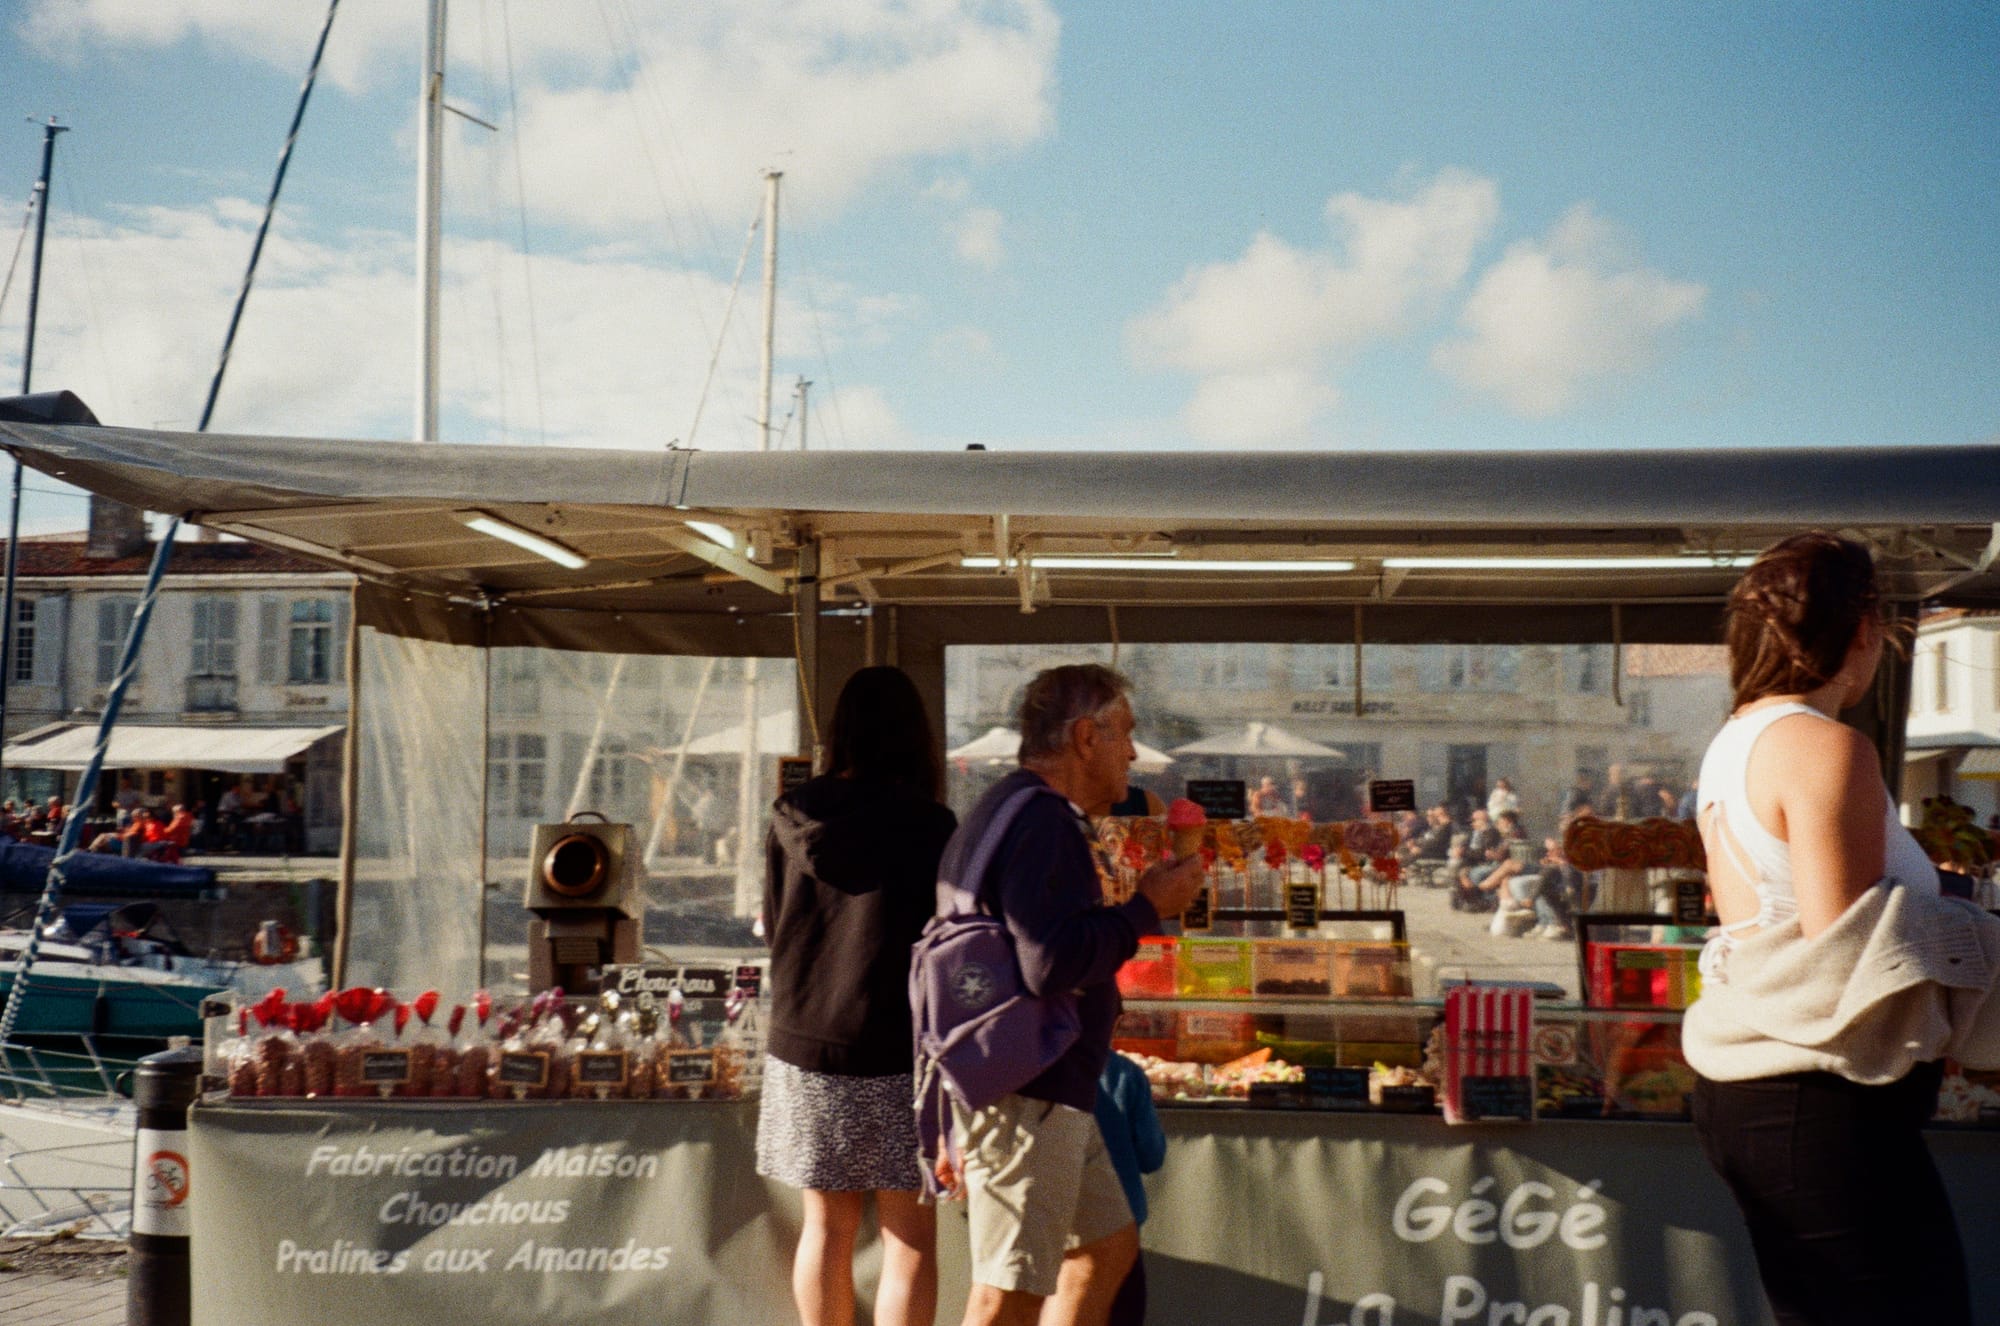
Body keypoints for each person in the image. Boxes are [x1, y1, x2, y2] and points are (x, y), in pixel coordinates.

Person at [1683, 531, 1999, 1326]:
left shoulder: (1736, 741)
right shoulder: (1829, 746)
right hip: (1820, 1096)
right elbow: (1849, 940)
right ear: (1862, 628)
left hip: (1766, 1090)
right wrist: (1968, 922)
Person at [937, 664, 1203, 1326]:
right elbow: (1047, 962)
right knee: (1007, 1291)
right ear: (1087, 737)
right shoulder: (1043, 823)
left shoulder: (1010, 807)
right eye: (1126, 735)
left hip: (1050, 1087)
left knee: (1105, 1250)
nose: (1134, 754)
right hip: (1030, 1088)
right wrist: (1146, 909)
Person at [756, 666, 959, 1326]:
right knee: (909, 1237)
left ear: (839, 731)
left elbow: (773, 922)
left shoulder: (792, 814)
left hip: (807, 1041)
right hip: (904, 1048)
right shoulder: (932, 826)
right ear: (914, 737)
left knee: (827, 1226)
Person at [1049, 1051, 1164, 1326]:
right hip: (1119, 1225)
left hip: (1054, 1219)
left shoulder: (1041, 1070)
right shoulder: (1126, 1075)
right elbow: (1151, 1155)